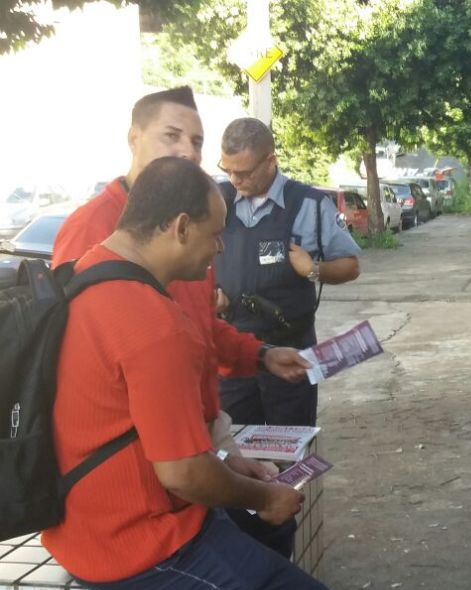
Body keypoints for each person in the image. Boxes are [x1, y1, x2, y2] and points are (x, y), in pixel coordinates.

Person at [45, 157, 344, 590]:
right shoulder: (150, 321)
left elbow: (153, 427)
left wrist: (232, 461)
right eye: (214, 233)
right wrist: (264, 495)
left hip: (80, 519)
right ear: (180, 226)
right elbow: (183, 473)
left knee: (261, 542)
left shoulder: (90, 273)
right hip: (133, 539)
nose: (219, 249)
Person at [52, 86, 310, 562]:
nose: (187, 151)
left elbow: (202, 328)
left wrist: (260, 355)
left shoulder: (193, 223)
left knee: (272, 531)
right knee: (262, 553)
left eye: (196, 141)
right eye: (171, 136)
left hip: (196, 441)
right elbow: (72, 361)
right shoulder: (93, 228)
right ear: (134, 138)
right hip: (143, 476)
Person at [215, 118, 361, 428]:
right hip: (234, 354)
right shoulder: (217, 201)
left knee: (292, 445)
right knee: (236, 445)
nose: (235, 180)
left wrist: (314, 270)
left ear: (270, 161)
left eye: (244, 172)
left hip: (291, 353)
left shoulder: (309, 205)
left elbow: (350, 266)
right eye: (228, 170)